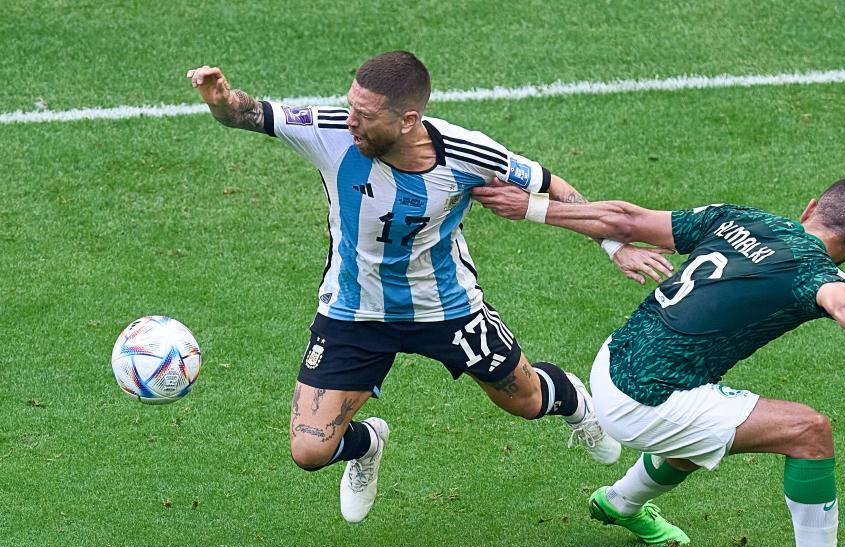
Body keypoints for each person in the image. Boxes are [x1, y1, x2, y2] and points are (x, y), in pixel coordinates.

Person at [186, 51, 674, 523]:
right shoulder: (330, 131)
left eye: (365, 115)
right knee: (310, 450)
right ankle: (368, 444)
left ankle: (571, 398)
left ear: (408, 120)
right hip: (355, 310)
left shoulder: (468, 153)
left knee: (524, 402)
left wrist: (614, 245)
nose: (351, 121)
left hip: (448, 309)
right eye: (351, 106)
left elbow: (554, 187)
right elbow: (247, 114)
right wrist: (221, 100)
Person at [472, 177, 845, 547]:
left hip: (612, 360)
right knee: (809, 431)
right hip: (647, 399)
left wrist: (530, 207)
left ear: (810, 208)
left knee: (704, 430)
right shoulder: (817, 273)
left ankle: (620, 502)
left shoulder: (737, 217)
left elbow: (624, 218)